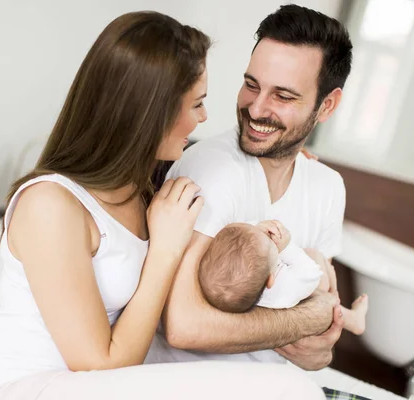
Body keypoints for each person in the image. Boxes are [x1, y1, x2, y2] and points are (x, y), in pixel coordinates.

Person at [0, 10, 324, 400]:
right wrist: (165, 251)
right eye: (197, 104)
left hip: (99, 385)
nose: (204, 117)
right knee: (287, 389)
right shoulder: (49, 205)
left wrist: (286, 161)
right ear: (152, 114)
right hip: (33, 389)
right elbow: (99, 366)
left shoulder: (147, 194)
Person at [147, 4, 360, 371]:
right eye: (251, 85)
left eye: (283, 96)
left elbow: (321, 345)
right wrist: (310, 318)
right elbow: (182, 327)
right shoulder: (214, 170)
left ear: (326, 105)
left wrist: (319, 346)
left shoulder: (328, 188)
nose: (256, 109)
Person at [198, 220, 368, 342]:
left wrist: (258, 238)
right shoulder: (287, 286)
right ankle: (354, 320)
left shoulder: (240, 289)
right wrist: (285, 247)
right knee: (314, 255)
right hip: (309, 289)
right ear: (271, 279)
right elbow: (311, 273)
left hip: (290, 300)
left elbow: (243, 257)